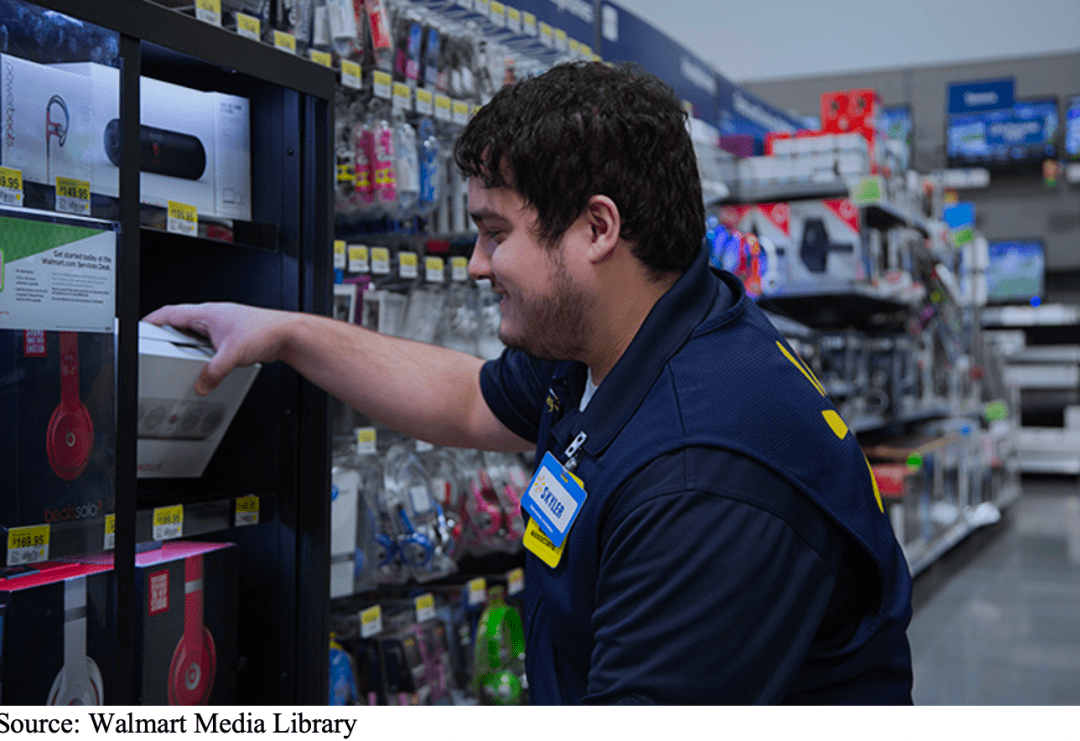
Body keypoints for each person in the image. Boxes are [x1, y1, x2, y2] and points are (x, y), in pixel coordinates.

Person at [146, 61, 914, 704]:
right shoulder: (618, 334)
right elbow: (467, 397)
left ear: (597, 229)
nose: (476, 264)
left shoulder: (702, 479)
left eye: (495, 233)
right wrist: (285, 332)